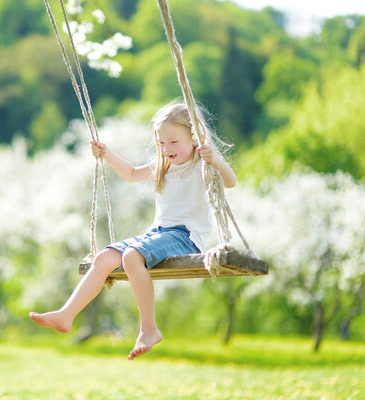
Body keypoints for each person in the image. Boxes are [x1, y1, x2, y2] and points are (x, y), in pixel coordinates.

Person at [29, 102, 236, 360]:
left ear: (194, 137)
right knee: (104, 258)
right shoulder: (164, 165)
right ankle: (66, 315)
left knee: (131, 256)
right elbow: (130, 173)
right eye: (161, 143)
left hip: (185, 236)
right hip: (158, 233)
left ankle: (149, 329)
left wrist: (215, 160)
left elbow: (230, 181)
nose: (167, 149)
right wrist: (107, 153)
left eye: (174, 142)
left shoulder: (201, 163)